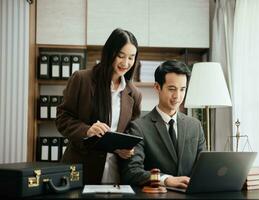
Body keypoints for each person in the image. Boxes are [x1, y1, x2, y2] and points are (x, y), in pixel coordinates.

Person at [55, 28, 142, 184]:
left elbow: (131, 130)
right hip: (80, 170)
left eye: (131, 57)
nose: (126, 63)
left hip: (115, 174)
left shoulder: (134, 94)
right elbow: (62, 118)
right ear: (110, 53)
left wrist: (124, 148)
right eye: (120, 56)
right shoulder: (82, 79)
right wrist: (87, 130)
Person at [120, 60, 206, 189]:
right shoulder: (138, 127)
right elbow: (132, 172)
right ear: (157, 87)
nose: (177, 96)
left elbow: (204, 168)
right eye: (172, 89)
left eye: (182, 89)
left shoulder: (195, 126)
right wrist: (165, 180)